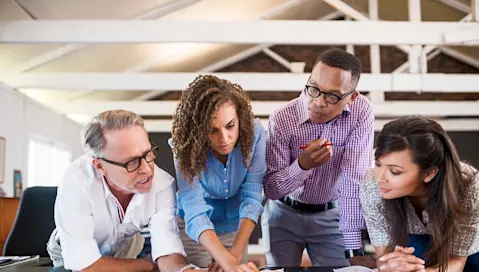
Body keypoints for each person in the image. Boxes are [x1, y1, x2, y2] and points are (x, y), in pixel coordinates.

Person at [262, 48, 375, 268]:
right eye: (314, 88)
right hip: (283, 214)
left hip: (332, 216)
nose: (319, 102)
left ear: (352, 97)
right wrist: (302, 166)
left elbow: (353, 179)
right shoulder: (282, 118)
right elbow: (271, 189)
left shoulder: (362, 112)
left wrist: (354, 247)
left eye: (332, 96)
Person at [46, 110, 197, 272]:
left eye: (148, 154)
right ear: (99, 166)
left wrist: (184, 270)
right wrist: (151, 265)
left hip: (125, 248)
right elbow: (85, 265)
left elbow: (167, 249)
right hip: (71, 253)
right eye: (131, 162)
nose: (146, 170)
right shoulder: (76, 181)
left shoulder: (162, 185)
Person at [169, 75, 265, 272]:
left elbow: (253, 196)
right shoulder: (185, 147)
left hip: (235, 228)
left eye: (230, 126)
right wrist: (227, 262)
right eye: (212, 130)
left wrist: (234, 258)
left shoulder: (255, 135)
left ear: (240, 118)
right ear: (198, 130)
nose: (224, 139)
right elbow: (193, 206)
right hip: (196, 232)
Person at [360, 115, 479, 272]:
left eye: (395, 172)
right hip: (415, 243)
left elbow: (457, 262)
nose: (380, 178)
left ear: (429, 173)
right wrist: (393, 267)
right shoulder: (371, 184)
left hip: (469, 251)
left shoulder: (468, 184)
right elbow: (383, 260)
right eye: (378, 164)